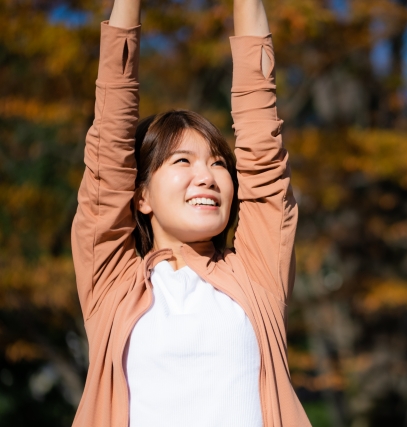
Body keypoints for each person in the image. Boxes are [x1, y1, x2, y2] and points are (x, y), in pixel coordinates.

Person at [70, 0, 311, 425]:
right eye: (182, 161)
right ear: (140, 196)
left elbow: (263, 147)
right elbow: (109, 146)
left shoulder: (256, 275)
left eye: (218, 162)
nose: (208, 175)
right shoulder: (112, 285)